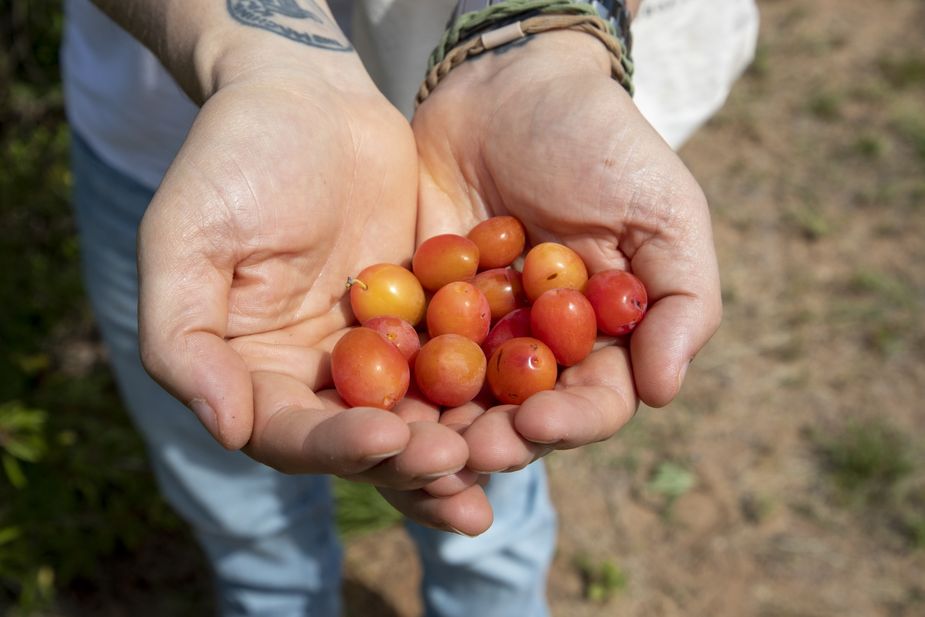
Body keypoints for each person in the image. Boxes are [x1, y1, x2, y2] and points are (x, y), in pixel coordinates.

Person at [62, 0, 757, 615]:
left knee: (486, 496)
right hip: (201, 145)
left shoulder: (500, 292)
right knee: (241, 511)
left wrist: (540, 40)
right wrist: (254, 55)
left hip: (507, 153)